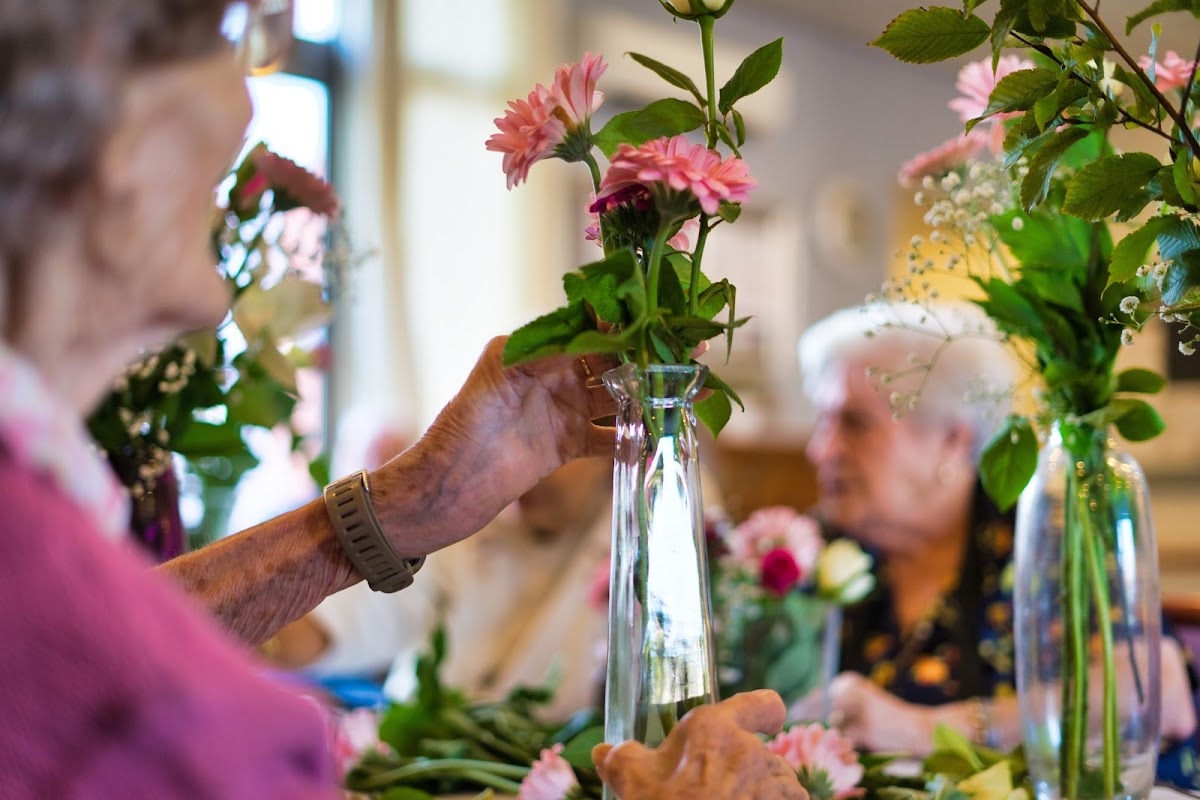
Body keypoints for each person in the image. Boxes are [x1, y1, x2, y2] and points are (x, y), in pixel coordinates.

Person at [0, 2, 781, 797]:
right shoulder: (215, 749)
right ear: (122, 148)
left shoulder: (35, 521)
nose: (247, 96)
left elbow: (53, 650)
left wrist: (409, 502)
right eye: (216, 35)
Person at [794, 301, 1198, 770]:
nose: (818, 450)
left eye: (854, 423)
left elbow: (1159, 693)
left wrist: (926, 731)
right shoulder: (815, 551)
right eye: (822, 421)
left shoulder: (1047, 539)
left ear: (953, 440)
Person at [265, 456, 614, 720]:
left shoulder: (638, 552)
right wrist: (238, 624)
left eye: (557, 449)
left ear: (608, 445)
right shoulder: (467, 524)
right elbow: (334, 626)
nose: (528, 470)